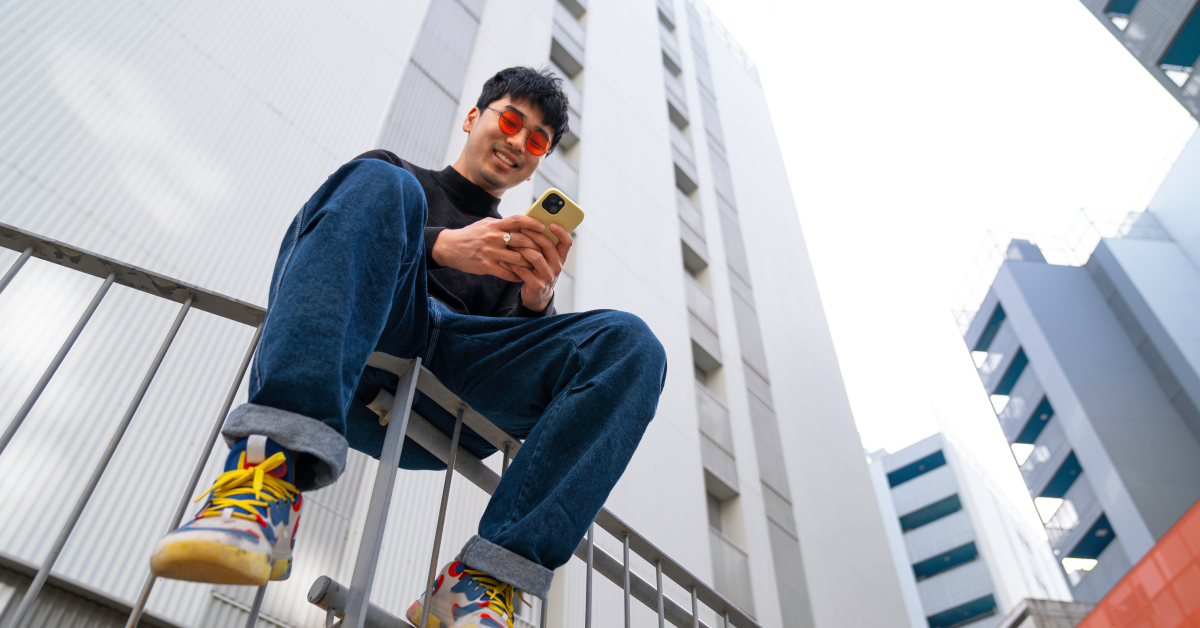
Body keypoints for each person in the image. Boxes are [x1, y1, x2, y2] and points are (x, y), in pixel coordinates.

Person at [149, 66, 667, 628]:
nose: (519, 142)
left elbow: (531, 380)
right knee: (376, 180)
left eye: (536, 139)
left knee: (633, 344)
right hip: (370, 349)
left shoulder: (515, 247)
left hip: (455, 395)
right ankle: (267, 481)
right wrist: (441, 248)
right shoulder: (398, 181)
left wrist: (537, 300)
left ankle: (484, 583)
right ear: (474, 118)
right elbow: (319, 245)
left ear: (539, 160)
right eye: (511, 121)